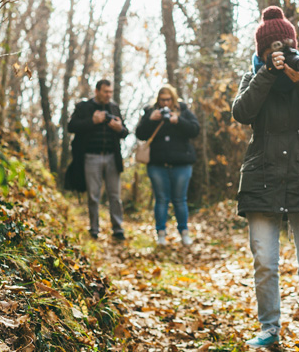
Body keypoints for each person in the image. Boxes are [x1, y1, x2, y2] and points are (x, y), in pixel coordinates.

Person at [231, 6, 299, 352]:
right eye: (271, 47)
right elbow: (242, 112)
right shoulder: (253, 77)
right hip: (262, 178)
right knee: (264, 260)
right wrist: (265, 74)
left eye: (285, 45)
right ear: (261, 51)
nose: (280, 51)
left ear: (294, 45)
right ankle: (269, 329)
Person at [135, 84, 200, 245]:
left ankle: (184, 233)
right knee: (161, 199)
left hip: (181, 164)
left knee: (180, 200)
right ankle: (161, 234)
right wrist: (151, 120)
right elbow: (140, 134)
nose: (165, 103)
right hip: (157, 164)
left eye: (168, 99)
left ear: (173, 98)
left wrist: (178, 120)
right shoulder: (150, 112)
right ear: (158, 100)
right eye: (162, 100)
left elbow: (195, 130)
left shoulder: (183, 110)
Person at [67, 79, 129, 240]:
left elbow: (125, 132)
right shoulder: (84, 107)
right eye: (105, 92)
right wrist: (93, 121)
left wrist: (119, 129)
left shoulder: (114, 108)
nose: (108, 95)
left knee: (115, 195)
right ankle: (94, 229)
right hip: (90, 157)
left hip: (112, 157)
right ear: (97, 91)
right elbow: (71, 126)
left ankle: (118, 229)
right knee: (93, 195)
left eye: (110, 92)